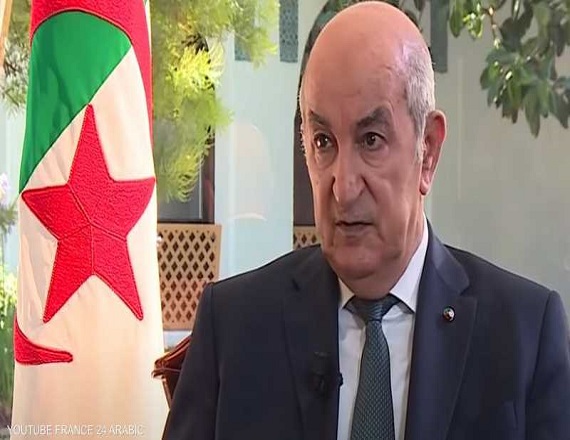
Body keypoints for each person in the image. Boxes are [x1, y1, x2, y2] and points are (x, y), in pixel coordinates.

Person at [163, 2, 570, 439]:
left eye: (371, 140)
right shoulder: (234, 329)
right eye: (323, 142)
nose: (343, 187)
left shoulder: (524, 334)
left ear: (428, 151)